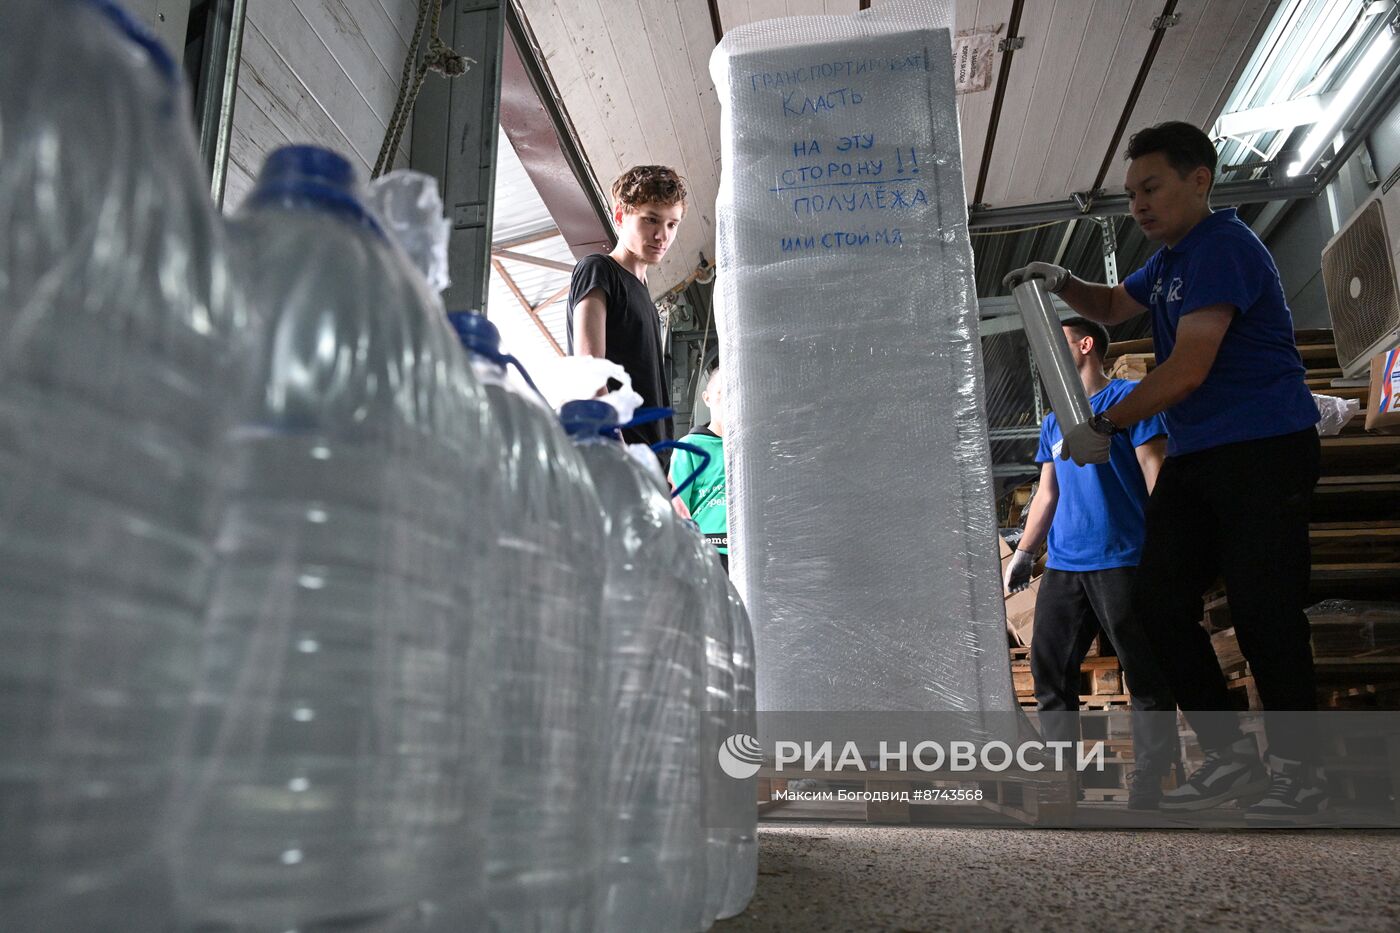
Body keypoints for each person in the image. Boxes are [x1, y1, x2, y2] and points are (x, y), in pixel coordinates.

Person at [1003, 121, 1323, 822]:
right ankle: (1232, 757)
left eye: (1151, 188)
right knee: (1153, 602)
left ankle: (1303, 774)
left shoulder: (1222, 247)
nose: (1139, 205)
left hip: (1264, 449)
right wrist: (1066, 282)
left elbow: (1188, 367)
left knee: (1264, 608)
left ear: (1198, 179)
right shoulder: (1172, 260)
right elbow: (1117, 304)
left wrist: (1105, 423)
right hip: (1204, 455)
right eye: (1132, 194)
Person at [1007, 318, 1176, 809]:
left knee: (1142, 668)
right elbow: (1047, 492)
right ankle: (1062, 781)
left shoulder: (1130, 399)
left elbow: (1154, 468)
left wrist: (1167, 545)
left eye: (1056, 339)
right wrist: (1023, 553)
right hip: (1064, 563)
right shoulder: (1054, 419)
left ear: (1085, 345)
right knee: (1050, 670)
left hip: (1123, 556)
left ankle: (1149, 779)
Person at [567, 165, 686, 452]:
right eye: (651, 220)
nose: (662, 236)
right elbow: (588, 370)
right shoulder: (598, 270)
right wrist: (618, 451)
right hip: (620, 456)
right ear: (620, 215)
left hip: (651, 458)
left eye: (672, 224)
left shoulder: (643, 292)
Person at [670, 361, 728, 570]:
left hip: (752, 552)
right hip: (709, 556)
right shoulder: (689, 447)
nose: (730, 399)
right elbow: (678, 511)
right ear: (707, 398)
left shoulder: (752, 449)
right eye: (723, 392)